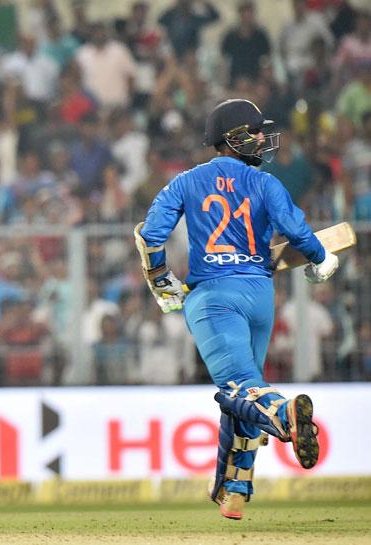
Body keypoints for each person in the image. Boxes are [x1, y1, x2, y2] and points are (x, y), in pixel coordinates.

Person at [135, 98, 339, 520]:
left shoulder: (185, 182)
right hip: (260, 294)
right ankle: (235, 489)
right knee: (245, 389)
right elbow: (297, 231)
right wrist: (321, 259)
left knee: (239, 388)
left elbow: (150, 235)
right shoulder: (266, 183)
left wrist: (162, 282)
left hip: (213, 298)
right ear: (234, 137)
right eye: (256, 131)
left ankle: (284, 415)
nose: (264, 138)